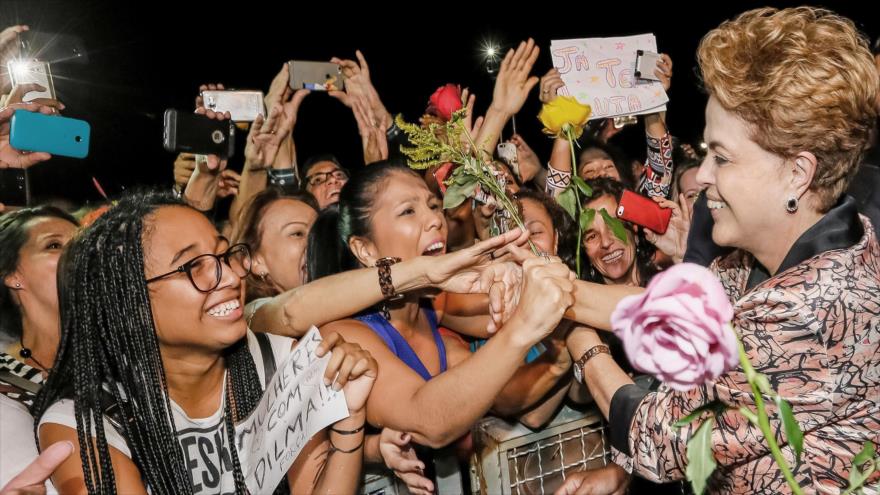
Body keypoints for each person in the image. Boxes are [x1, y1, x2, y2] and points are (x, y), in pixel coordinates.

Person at [555, 7, 880, 492]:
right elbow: (663, 309)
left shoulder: (811, 307)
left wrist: (582, 344)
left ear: (798, 172)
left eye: (722, 158)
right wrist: (548, 288)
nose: (704, 176)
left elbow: (661, 436)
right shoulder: (764, 258)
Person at [0, 207, 78, 488]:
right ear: (12, 274)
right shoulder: (4, 387)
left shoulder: (128, 359)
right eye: (54, 245)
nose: (79, 253)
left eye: (84, 242)